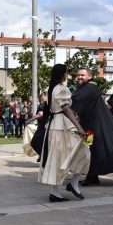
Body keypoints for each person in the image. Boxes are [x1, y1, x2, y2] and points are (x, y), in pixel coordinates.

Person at [38, 64, 90, 202]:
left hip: (56, 125)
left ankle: (56, 191)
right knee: (83, 150)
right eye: (66, 72)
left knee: (57, 158)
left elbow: (63, 108)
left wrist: (73, 112)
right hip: (61, 126)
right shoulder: (61, 89)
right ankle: (70, 185)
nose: (67, 75)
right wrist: (80, 128)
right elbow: (65, 108)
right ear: (63, 74)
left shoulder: (52, 89)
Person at [25, 92, 48, 162]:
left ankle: (43, 155)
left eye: (42, 96)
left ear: (46, 96)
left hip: (43, 126)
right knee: (43, 142)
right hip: (45, 125)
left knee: (36, 142)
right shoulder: (49, 105)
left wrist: (29, 120)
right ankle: (42, 156)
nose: (41, 97)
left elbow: (40, 114)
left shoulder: (44, 105)